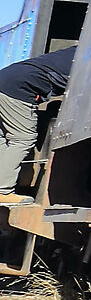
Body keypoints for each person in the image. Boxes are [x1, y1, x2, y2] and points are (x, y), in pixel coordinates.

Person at [0, 46, 75, 197]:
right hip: (16, 89)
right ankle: (3, 191)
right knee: (22, 139)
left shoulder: (77, 52)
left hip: (5, 80)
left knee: (4, 138)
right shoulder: (88, 63)